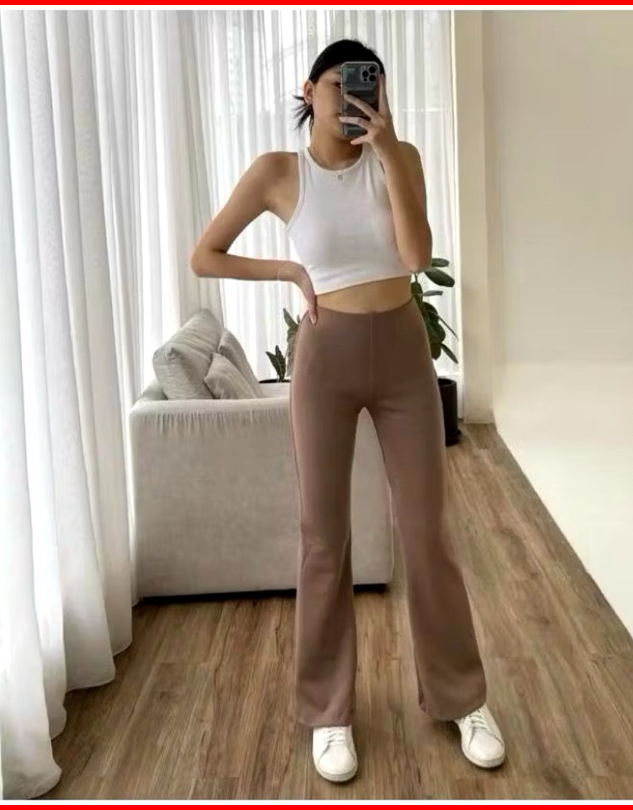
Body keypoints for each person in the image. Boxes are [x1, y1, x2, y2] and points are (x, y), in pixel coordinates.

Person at [190, 38, 506, 784]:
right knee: (323, 538)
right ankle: (328, 711)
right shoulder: (279, 172)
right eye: (341, 84)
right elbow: (206, 254)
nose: (356, 97)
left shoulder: (401, 158)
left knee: (425, 531)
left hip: (401, 351)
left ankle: (463, 698)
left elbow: (416, 256)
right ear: (311, 90)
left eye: (370, 85)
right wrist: (289, 269)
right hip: (324, 356)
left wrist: (388, 151)